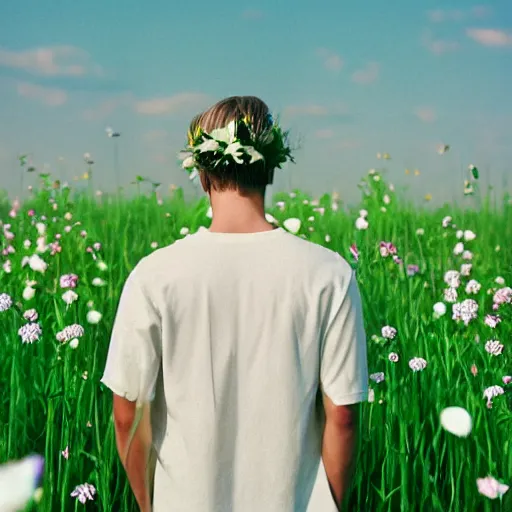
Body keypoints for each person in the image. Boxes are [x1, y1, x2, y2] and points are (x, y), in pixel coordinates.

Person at [100, 95, 369, 512]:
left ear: (202, 174)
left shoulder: (154, 275)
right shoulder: (328, 275)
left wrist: (147, 503)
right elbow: (343, 417)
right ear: (271, 168)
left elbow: (126, 412)